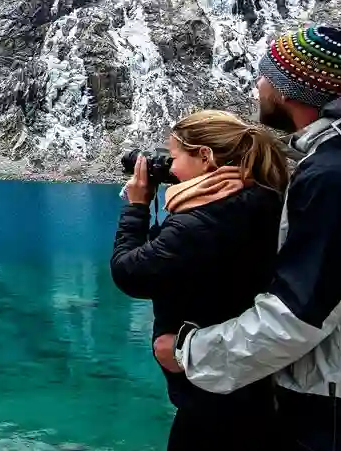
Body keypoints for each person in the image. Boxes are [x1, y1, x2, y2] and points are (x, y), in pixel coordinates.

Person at [153, 26, 341, 451]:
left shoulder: (335, 179)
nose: (258, 87)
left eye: (266, 75)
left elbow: (298, 313)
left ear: (289, 89)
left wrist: (190, 353)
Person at [111, 110, 288, 451]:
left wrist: (137, 207)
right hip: (258, 382)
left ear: (205, 158)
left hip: (211, 391)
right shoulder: (262, 198)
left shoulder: (200, 222)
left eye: (174, 157)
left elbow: (129, 273)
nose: (170, 167)